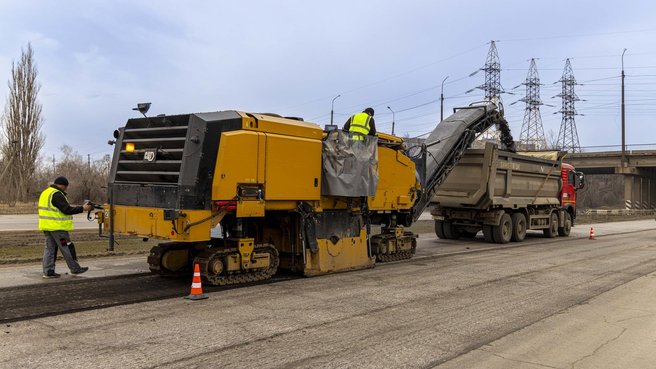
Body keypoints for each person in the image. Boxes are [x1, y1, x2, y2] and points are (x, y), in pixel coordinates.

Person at [38, 176, 92, 278]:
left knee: (49, 249)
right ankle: (75, 269)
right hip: (58, 228)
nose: (66, 189)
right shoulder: (57, 194)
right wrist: (83, 208)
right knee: (66, 247)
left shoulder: (46, 193)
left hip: (47, 227)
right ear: (62, 185)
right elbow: (67, 210)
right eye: (66, 187)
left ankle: (48, 271)